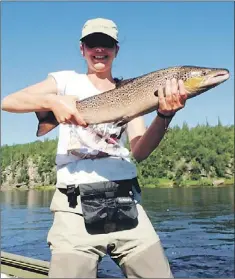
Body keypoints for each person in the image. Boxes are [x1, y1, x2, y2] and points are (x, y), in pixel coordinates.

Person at [1, 18, 187, 278]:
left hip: (128, 203)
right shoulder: (65, 81)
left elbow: (141, 151)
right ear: (82, 49)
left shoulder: (132, 91)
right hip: (73, 207)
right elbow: (9, 101)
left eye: (106, 44)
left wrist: (164, 116)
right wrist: (52, 101)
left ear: (116, 49)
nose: (99, 49)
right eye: (93, 43)